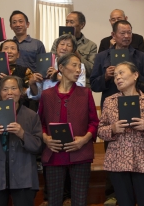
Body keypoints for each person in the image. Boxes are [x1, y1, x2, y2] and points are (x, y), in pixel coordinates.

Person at [90, 20, 144, 206]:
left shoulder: (140, 56)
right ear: (113, 35)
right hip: (112, 107)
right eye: (122, 33)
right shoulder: (102, 57)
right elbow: (94, 84)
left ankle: (137, 193)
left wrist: (132, 77)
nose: (126, 36)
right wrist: (107, 76)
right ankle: (114, 193)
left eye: (129, 32)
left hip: (138, 106)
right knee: (113, 152)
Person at [98, 62, 144, 206]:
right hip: (117, 160)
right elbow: (100, 131)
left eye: (121, 73)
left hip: (143, 159)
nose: (117, 78)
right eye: (115, 76)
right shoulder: (110, 101)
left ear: (135, 75)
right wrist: (113, 129)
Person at [38, 53, 99, 206]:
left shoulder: (85, 93)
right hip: (54, 153)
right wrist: (46, 139)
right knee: (54, 200)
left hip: (80, 152)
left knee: (79, 200)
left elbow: (94, 122)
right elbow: (40, 123)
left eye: (80, 66)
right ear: (61, 68)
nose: (78, 70)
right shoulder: (46, 95)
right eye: (74, 65)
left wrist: (84, 140)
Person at [0, 75, 43, 206]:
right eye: (5, 89)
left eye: (13, 88)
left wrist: (22, 134)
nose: (9, 92)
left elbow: (38, 147)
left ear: (21, 91)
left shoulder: (31, 116)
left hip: (24, 177)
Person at [28, 33, 85, 100]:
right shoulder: (46, 63)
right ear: (57, 47)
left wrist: (60, 78)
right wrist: (32, 84)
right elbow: (38, 96)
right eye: (62, 44)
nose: (64, 48)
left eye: (69, 45)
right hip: (48, 104)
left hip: (70, 103)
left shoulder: (79, 66)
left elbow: (81, 89)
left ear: (73, 50)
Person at [0, 39, 33, 112]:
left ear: (18, 54)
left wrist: (9, 82)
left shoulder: (26, 71)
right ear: (0, 53)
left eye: (13, 48)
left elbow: (30, 94)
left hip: (18, 110)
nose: (9, 51)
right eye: (5, 48)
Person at [50, 11, 97, 88]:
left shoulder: (91, 45)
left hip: (80, 85)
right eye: (67, 22)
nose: (68, 25)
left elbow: (92, 70)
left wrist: (76, 54)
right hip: (56, 84)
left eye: (71, 22)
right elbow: (51, 60)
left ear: (82, 25)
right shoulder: (57, 42)